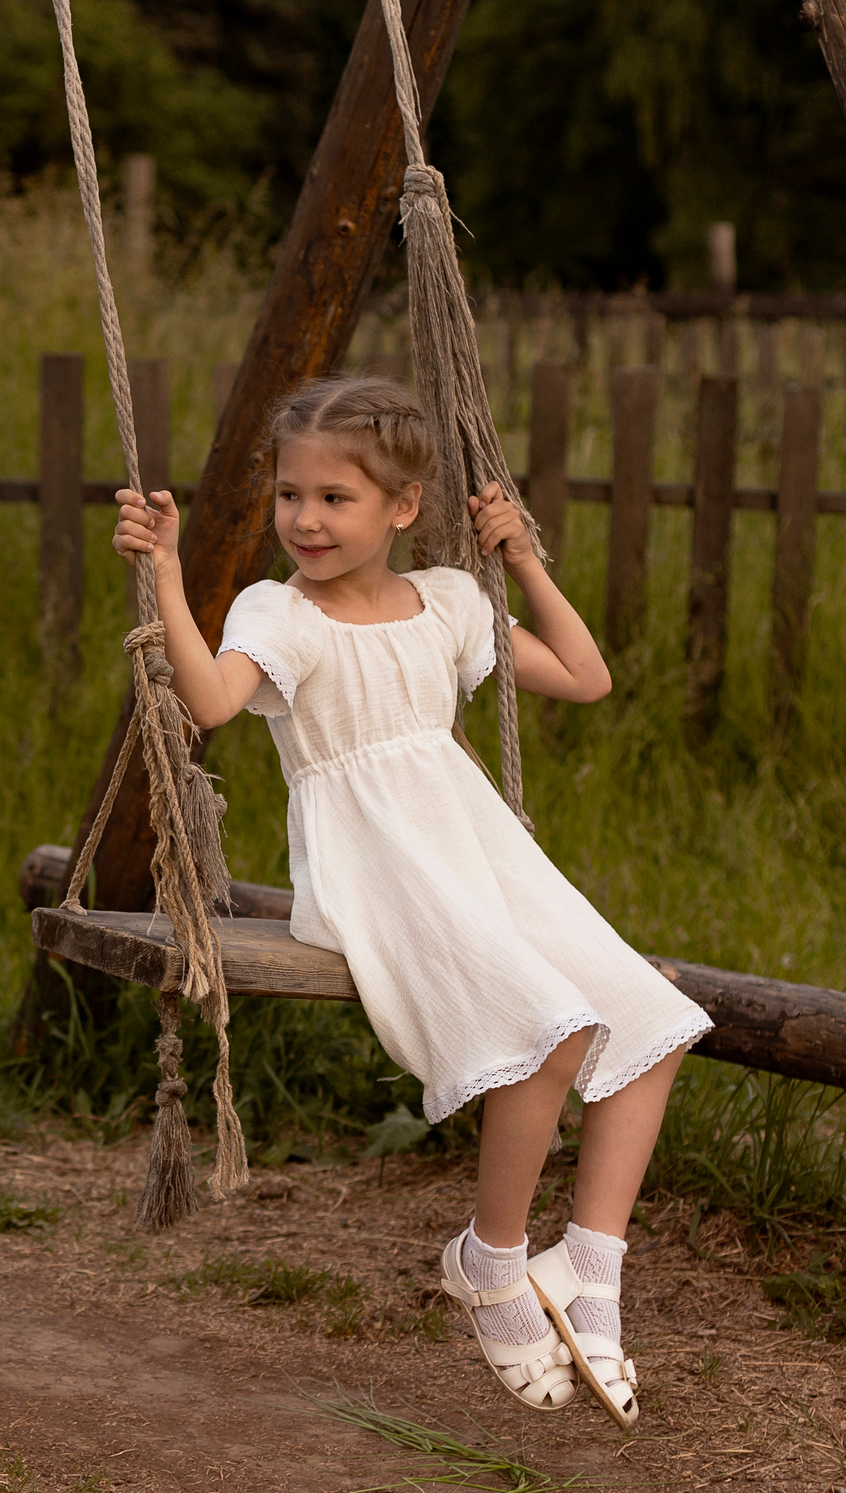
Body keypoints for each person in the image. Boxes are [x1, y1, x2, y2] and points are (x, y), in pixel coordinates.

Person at [110, 375, 709, 1428]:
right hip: (376, 870)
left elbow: (586, 675)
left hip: (477, 854)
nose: (305, 519)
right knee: (552, 1028)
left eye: (334, 498)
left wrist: (522, 559)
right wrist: (163, 573)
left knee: (651, 1022)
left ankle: (591, 1267)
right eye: (291, 495)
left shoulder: (450, 603)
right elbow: (208, 701)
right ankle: (491, 1259)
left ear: (403, 506)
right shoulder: (278, 613)